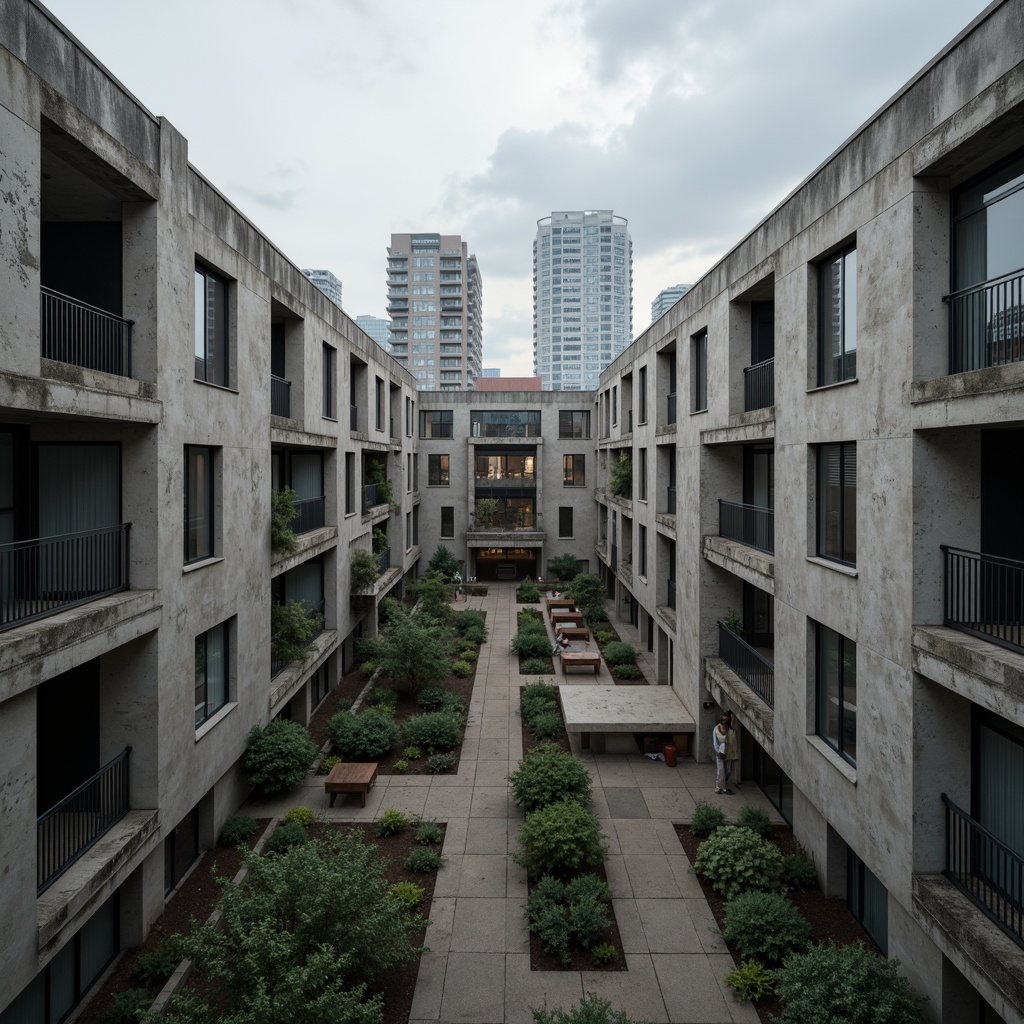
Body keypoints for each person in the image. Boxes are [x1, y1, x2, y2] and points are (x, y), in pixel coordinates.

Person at [712, 715, 732, 794]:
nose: (724, 724)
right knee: (720, 770)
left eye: (725, 722)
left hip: (729, 752)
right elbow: (715, 742)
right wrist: (717, 751)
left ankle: (724, 783)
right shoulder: (716, 729)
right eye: (723, 721)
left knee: (728, 770)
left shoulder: (730, 730)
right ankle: (719, 787)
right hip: (720, 752)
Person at [724, 709, 740, 788]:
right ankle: (727, 780)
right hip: (727, 752)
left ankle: (735, 780)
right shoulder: (727, 730)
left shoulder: (730, 730)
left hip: (731, 752)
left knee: (729, 767)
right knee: (727, 768)